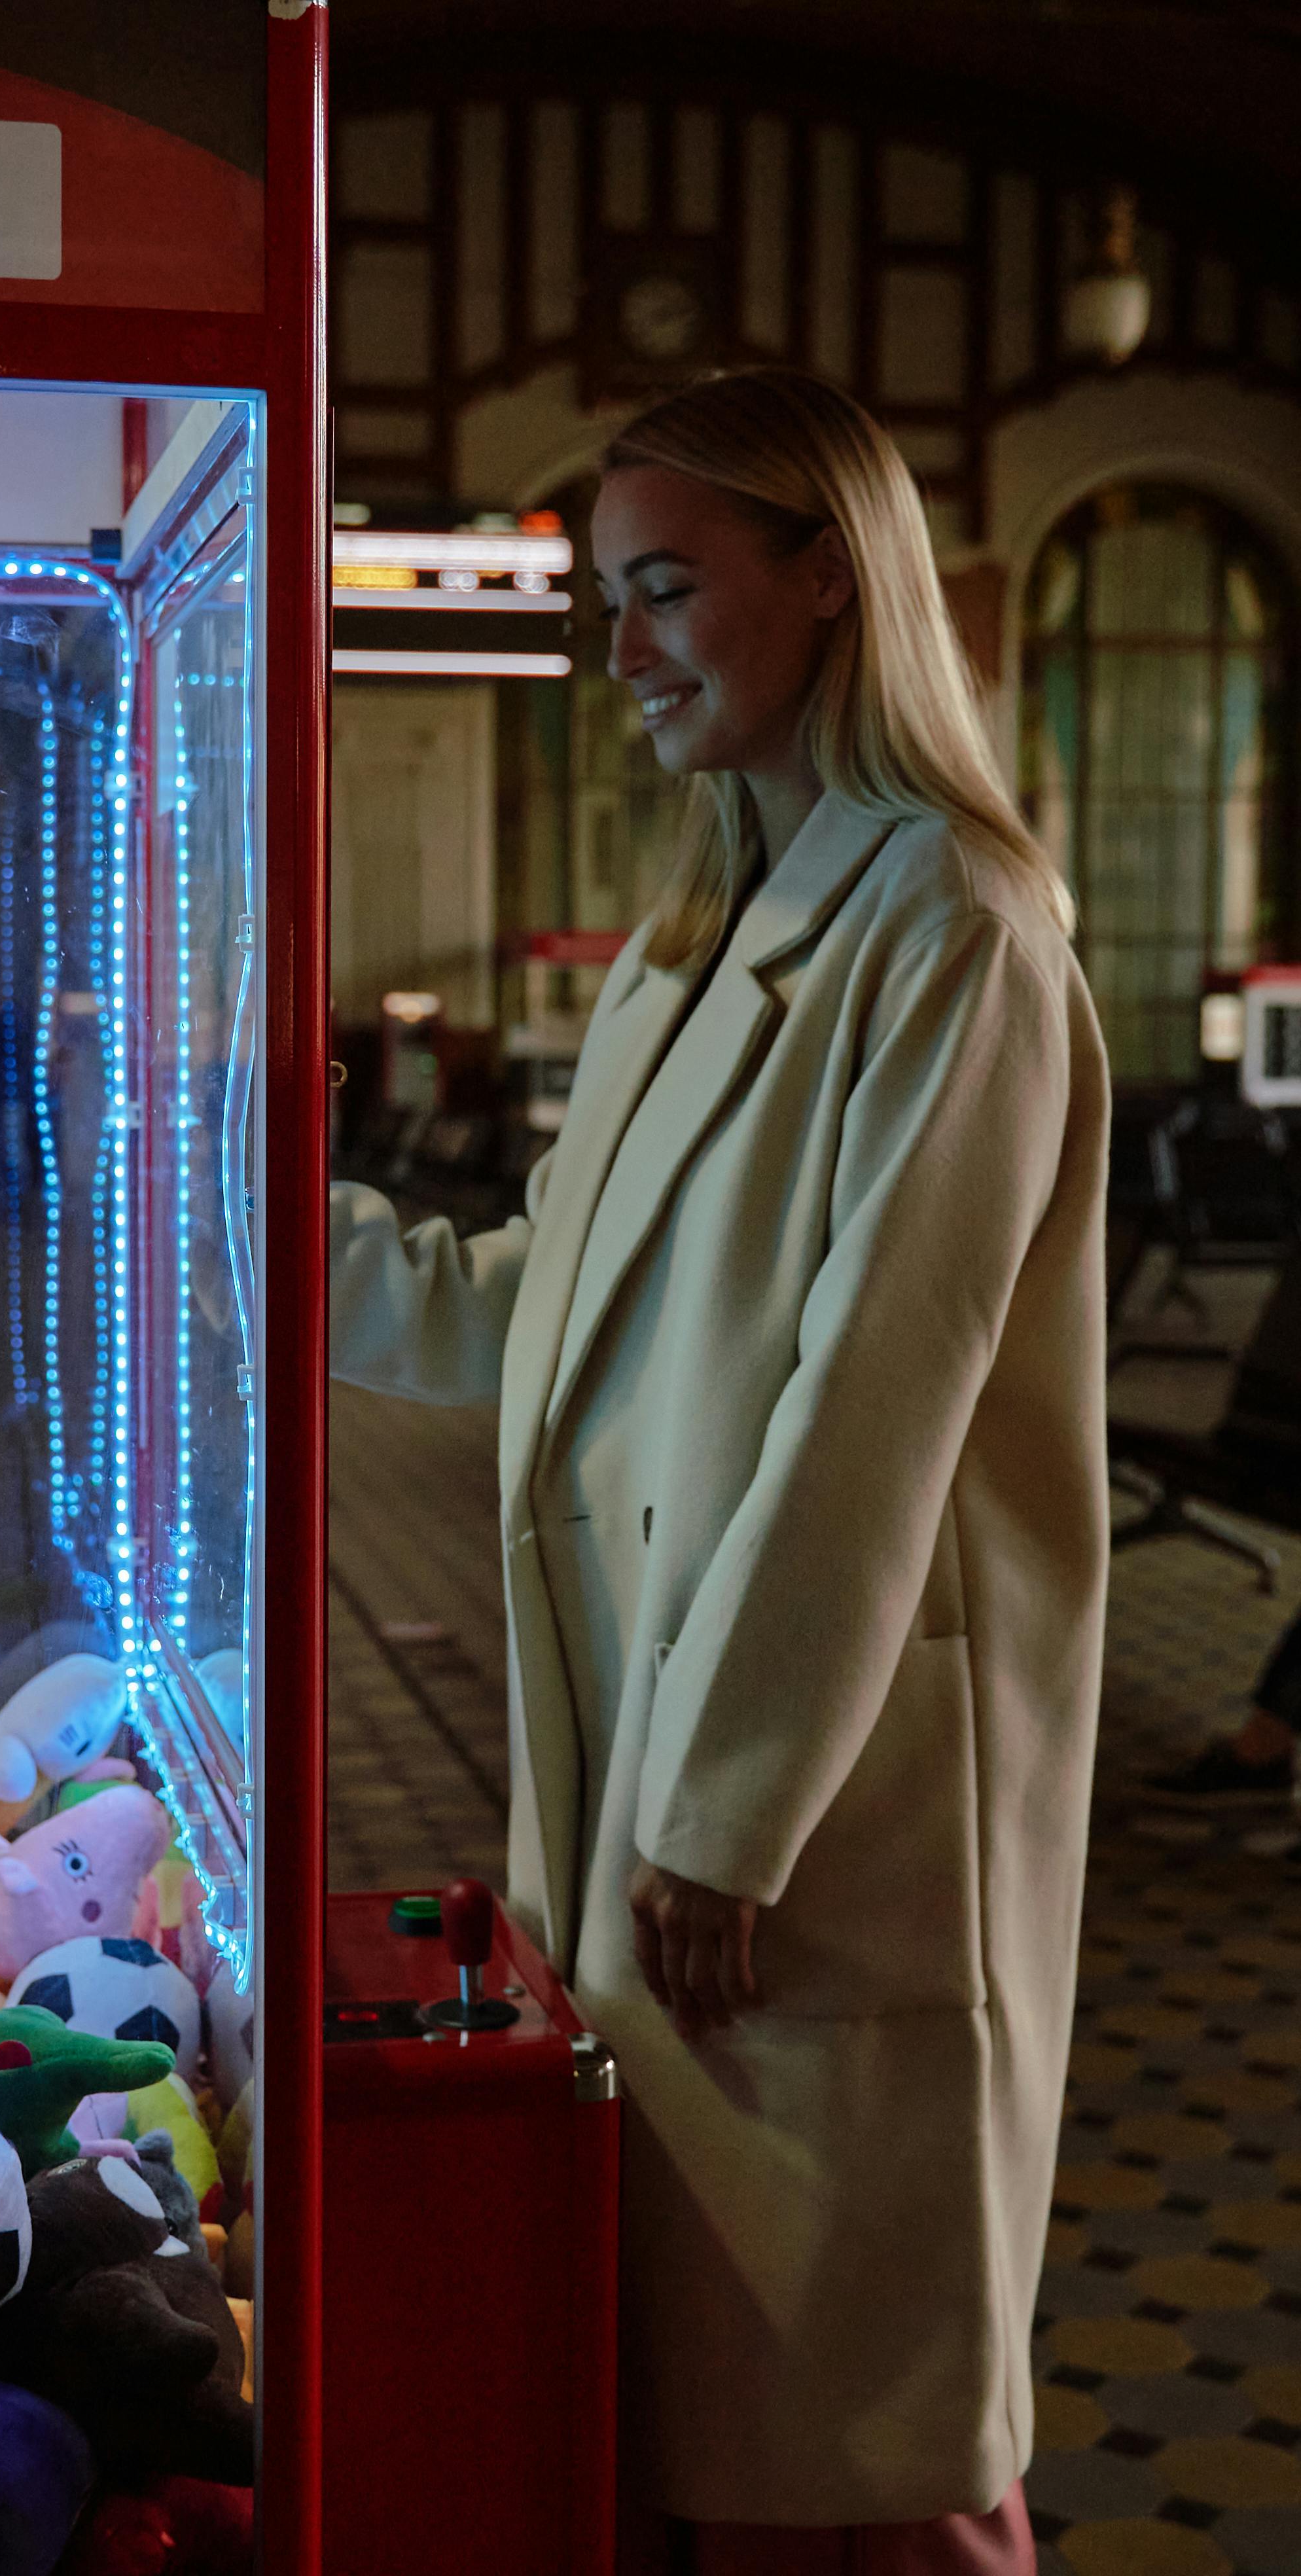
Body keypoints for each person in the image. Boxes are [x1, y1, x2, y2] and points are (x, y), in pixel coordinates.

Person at [329, 367, 1109, 2574]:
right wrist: (277, 1240)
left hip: (804, 1814)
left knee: (874, 2455)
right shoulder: (718, 937)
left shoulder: (952, 921)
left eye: (665, 587)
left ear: (827, 579)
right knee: (753, 2427)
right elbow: (542, 1317)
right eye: (609, 599)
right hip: (671, 1784)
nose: (625, 645)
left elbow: (877, 1394)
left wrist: (726, 1799)